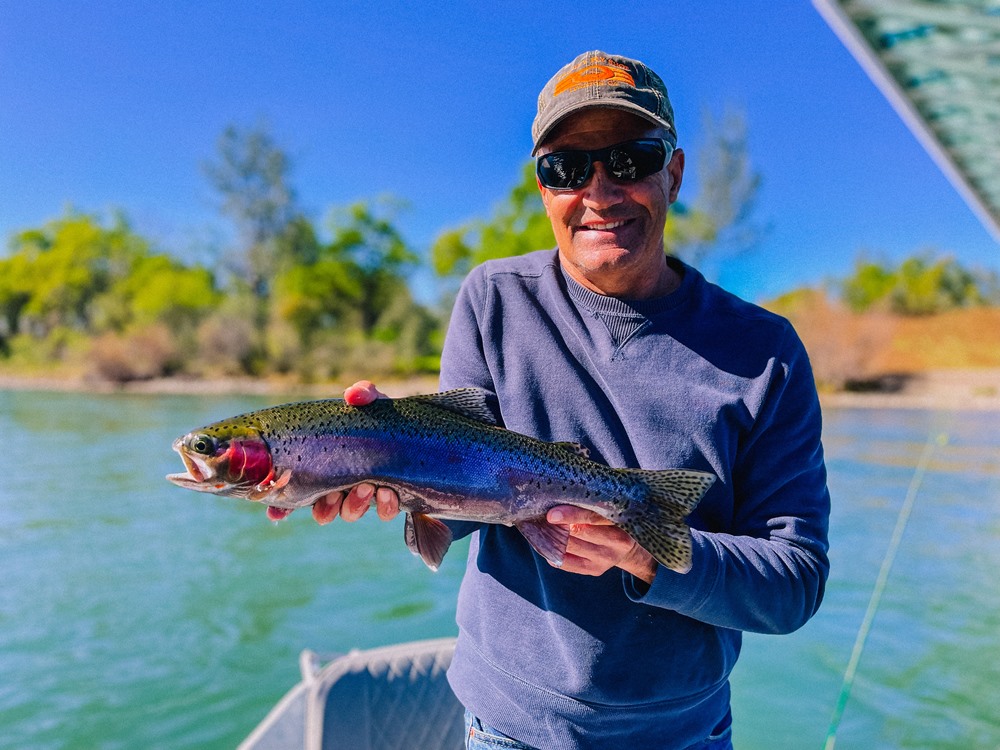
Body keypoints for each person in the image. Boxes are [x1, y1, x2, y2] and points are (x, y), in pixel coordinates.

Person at [308, 50, 831, 750]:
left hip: (683, 736)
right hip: (504, 729)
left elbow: (793, 582)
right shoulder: (493, 300)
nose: (599, 192)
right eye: (566, 168)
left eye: (629, 160)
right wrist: (390, 463)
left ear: (673, 174)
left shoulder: (767, 354)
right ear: (543, 188)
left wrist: (647, 552)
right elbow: (469, 501)